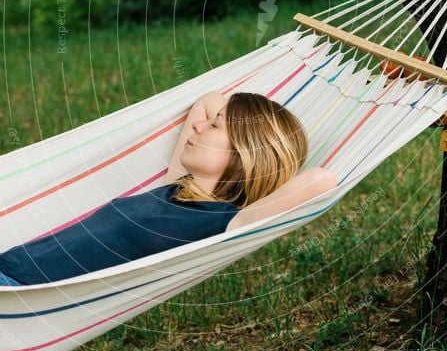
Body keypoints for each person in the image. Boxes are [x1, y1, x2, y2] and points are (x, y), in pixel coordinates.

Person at [0, 90, 336, 286]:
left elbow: (320, 180)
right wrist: (227, 116)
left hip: (17, 295)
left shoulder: (222, 222)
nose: (199, 125)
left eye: (215, 126)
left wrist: (260, 149)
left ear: (245, 153)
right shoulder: (177, 187)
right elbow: (208, 100)